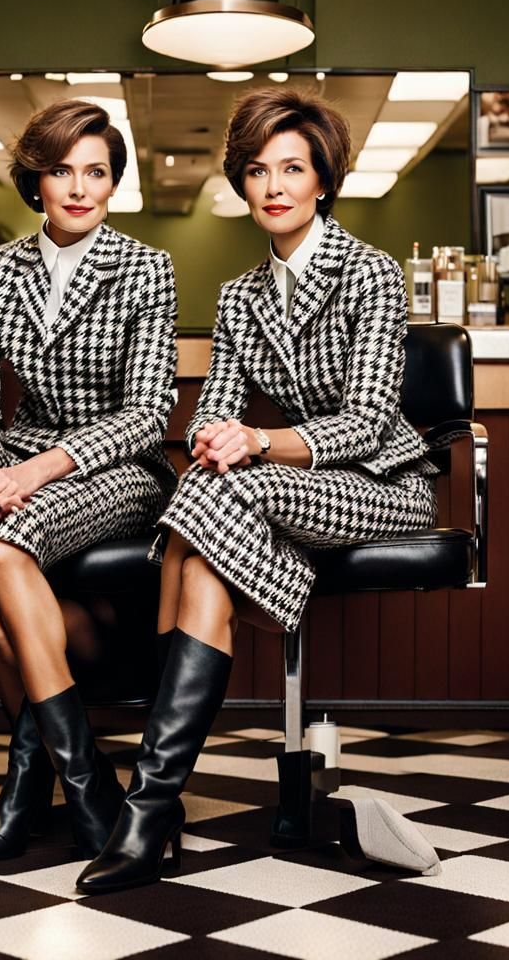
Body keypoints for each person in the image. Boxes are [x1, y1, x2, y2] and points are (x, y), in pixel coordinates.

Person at [77, 87, 439, 895]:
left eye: (291, 168)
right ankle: (153, 807)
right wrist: (214, 436)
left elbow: (374, 421)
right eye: (256, 171)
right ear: (243, 186)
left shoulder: (371, 273)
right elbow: (218, 404)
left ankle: (148, 811)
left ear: (322, 181)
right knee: (205, 519)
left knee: (208, 508)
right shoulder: (241, 294)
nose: (273, 185)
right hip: (284, 489)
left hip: (382, 484)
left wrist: (260, 442)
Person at [0, 99, 178, 867]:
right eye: (61, 169)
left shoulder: (145, 266)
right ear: (36, 177)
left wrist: (30, 474)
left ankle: (52, 782)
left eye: (95, 171)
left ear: (112, 183)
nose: (78, 186)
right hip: (12, 466)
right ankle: (65, 775)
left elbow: (148, 413)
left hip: (115, 466)